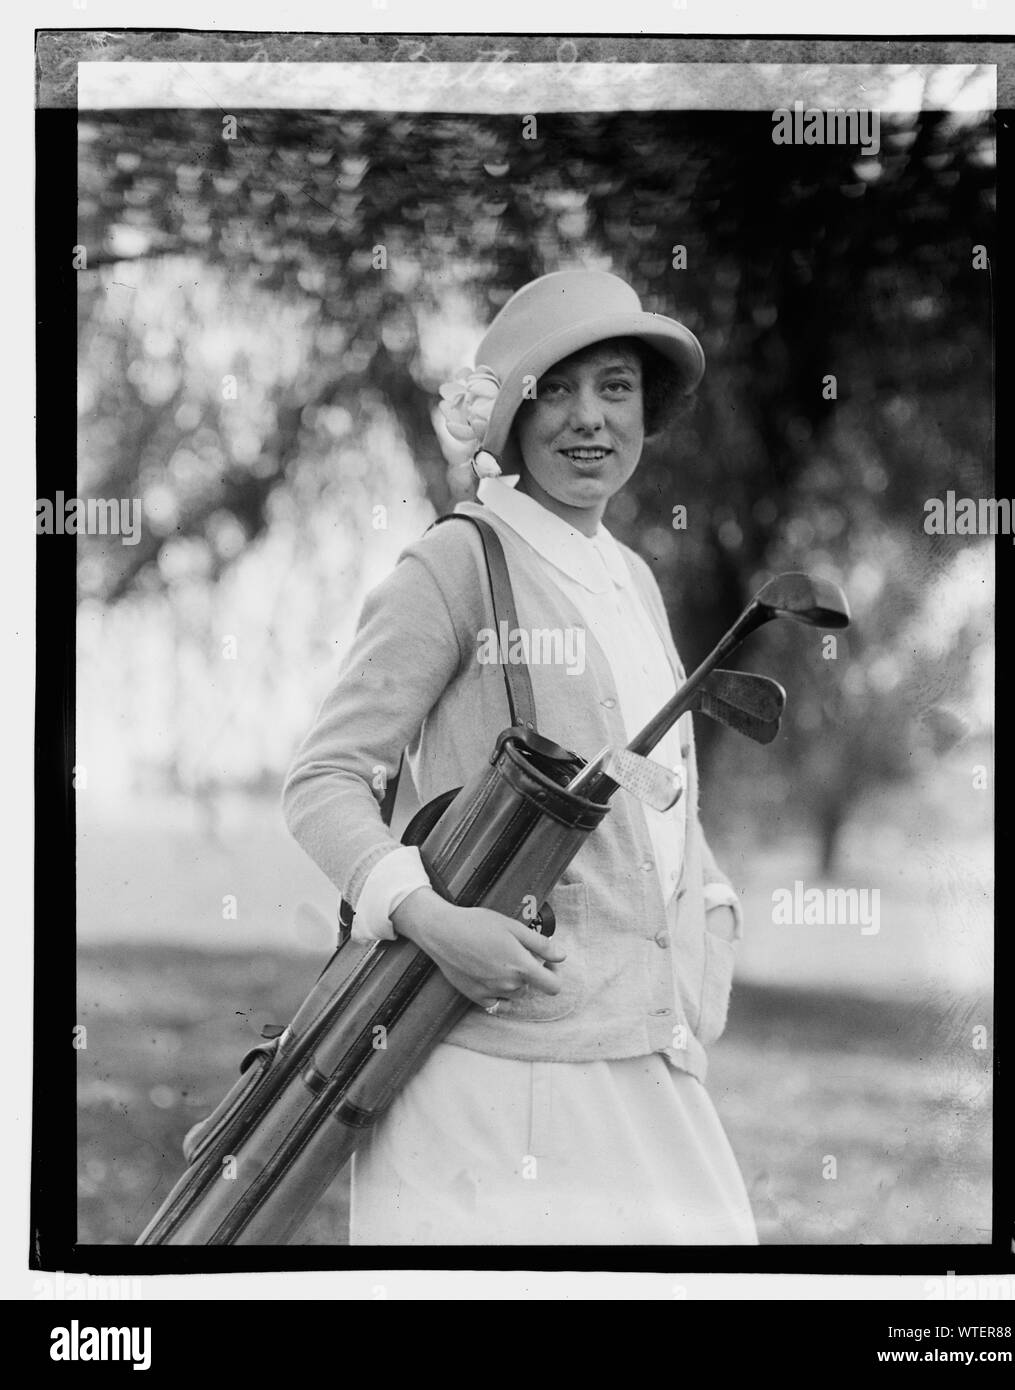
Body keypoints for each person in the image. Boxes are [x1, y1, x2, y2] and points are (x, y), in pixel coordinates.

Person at [282, 269, 758, 1245]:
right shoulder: (457, 562)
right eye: (556, 390)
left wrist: (710, 920)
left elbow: (662, 804)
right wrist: (434, 923)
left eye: (616, 386)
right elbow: (323, 783)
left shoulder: (630, 575)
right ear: (505, 418)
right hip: (489, 1071)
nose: (589, 420)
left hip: (640, 1056)